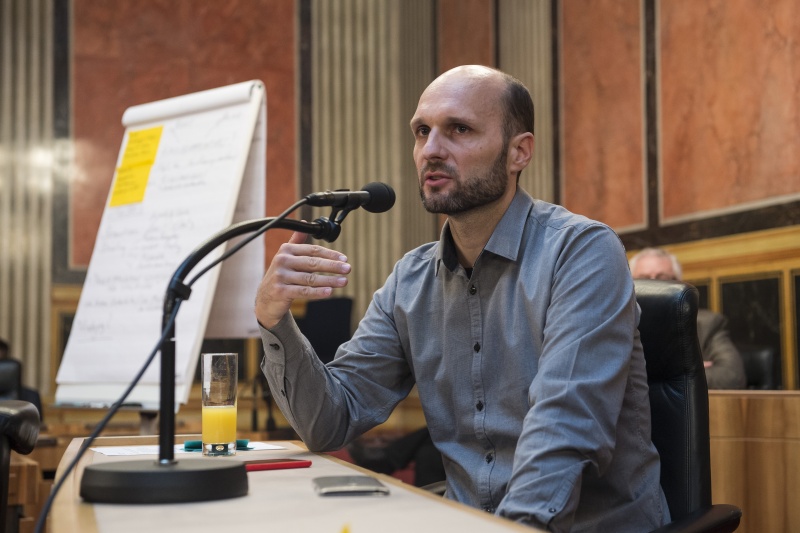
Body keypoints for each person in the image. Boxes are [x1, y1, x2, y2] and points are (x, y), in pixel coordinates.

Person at [255, 65, 668, 532]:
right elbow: (331, 420)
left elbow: (565, 430)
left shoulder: (582, 252)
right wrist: (275, 320)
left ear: (519, 152)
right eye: (421, 132)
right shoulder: (409, 281)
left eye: (459, 130)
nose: (431, 150)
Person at [629, 247, 747, 389]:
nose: (655, 287)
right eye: (644, 280)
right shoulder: (620, 327)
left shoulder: (707, 324)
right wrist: (688, 372)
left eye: (663, 279)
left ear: (679, 284)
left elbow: (732, 376)